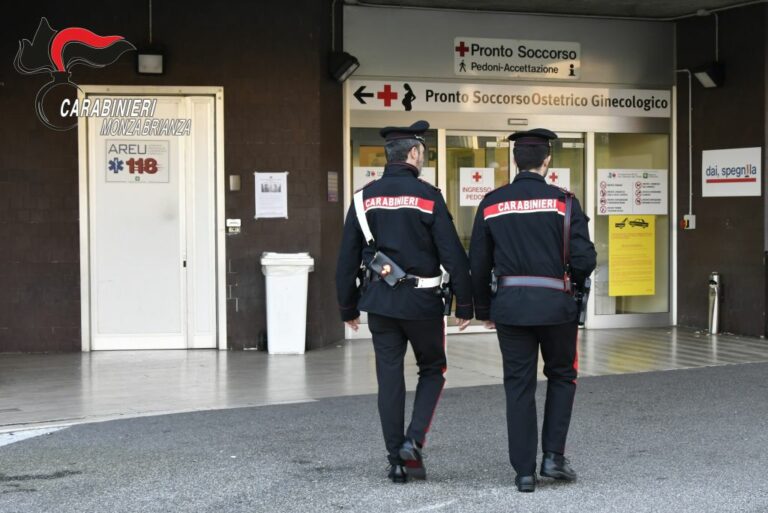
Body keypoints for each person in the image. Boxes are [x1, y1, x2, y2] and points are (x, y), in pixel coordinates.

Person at [336, 120, 473, 483]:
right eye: (422, 153)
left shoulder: (362, 198)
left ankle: (395, 461)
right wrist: (467, 303)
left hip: (380, 303)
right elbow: (453, 254)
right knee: (432, 369)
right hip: (424, 303)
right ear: (413, 153)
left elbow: (346, 258)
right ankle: (413, 441)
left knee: (389, 378)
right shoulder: (428, 196)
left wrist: (347, 307)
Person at [469, 128, 596, 493]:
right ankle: (553, 457)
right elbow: (585, 258)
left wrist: (483, 308)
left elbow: (478, 261)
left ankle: (524, 472)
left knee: (518, 385)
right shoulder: (565, 202)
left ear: (515, 161)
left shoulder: (492, 203)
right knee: (561, 376)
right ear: (547, 161)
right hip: (557, 306)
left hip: (510, 307)